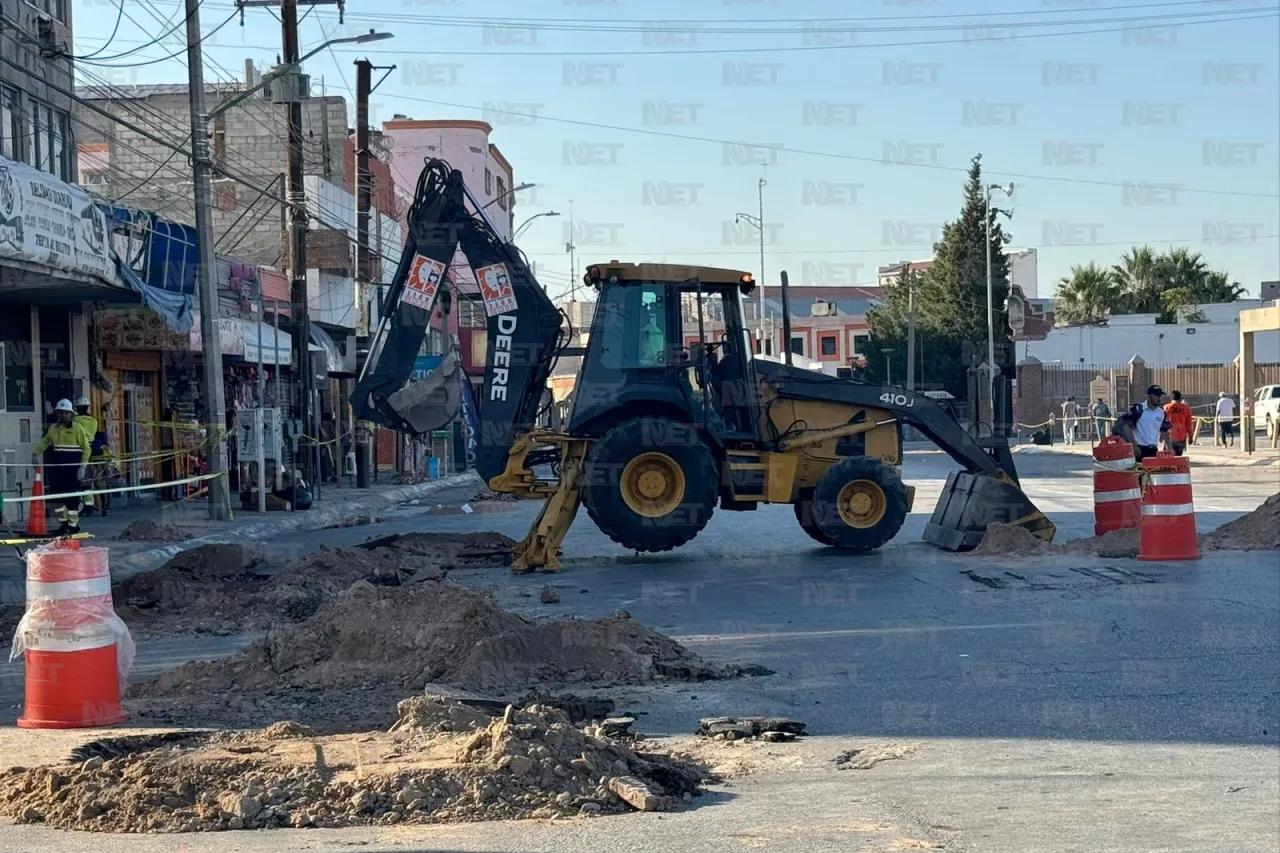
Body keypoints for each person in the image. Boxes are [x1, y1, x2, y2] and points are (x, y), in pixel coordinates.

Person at [32, 399, 91, 536]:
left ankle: (73, 526)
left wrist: (82, 467)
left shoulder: (78, 429)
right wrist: (36, 453)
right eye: (60, 412)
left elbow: (86, 449)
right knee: (56, 499)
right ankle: (64, 524)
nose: (63, 415)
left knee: (72, 501)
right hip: (58, 470)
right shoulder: (53, 429)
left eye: (66, 413)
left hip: (72, 470)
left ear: (71, 414)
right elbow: (45, 442)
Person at [1117, 385, 1171, 462]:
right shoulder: (1138, 409)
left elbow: (1165, 430)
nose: (1159, 398)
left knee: (1151, 473)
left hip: (1153, 450)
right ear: (1149, 396)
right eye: (1156, 395)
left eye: (1160, 395)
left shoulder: (1161, 412)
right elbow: (1126, 427)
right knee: (1139, 473)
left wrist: (1169, 446)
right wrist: (1134, 446)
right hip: (1139, 449)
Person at [73, 397, 101, 516]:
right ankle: (89, 505)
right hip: (91, 451)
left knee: (79, 479)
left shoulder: (76, 420)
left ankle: (81, 505)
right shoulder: (94, 421)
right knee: (88, 479)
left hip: (79, 449)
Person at [1163, 391, 1194, 456]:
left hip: (1170, 437)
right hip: (1181, 437)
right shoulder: (1186, 409)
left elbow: (1162, 422)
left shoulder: (1166, 407)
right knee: (1178, 459)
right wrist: (1191, 436)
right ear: (1180, 398)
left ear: (1171, 398)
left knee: (1167, 459)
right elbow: (1189, 424)